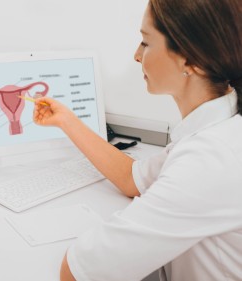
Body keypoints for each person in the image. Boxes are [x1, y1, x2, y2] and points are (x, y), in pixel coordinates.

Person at [33, 0, 242, 280]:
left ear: (191, 60)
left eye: (145, 42)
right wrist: (66, 120)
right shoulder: (220, 127)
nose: (136, 55)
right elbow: (132, 178)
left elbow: (79, 272)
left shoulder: (210, 159)